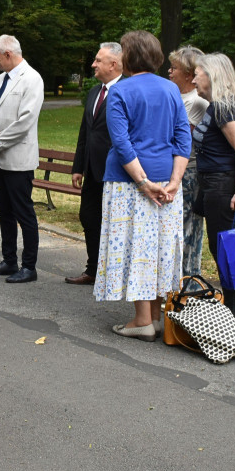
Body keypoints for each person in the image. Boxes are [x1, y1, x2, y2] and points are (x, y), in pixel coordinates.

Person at [93, 30, 191, 340]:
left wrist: (143, 182)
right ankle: (160, 317)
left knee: (136, 247)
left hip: (128, 182)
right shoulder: (171, 89)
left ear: (128, 57)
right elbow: (182, 137)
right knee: (161, 247)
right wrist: (175, 180)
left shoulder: (120, 91)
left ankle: (141, 320)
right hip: (168, 182)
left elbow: (122, 143)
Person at [191, 52, 235, 321]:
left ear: (212, 75)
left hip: (223, 184)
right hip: (211, 184)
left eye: (197, 74)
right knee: (221, 247)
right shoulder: (214, 106)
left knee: (225, 250)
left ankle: (232, 313)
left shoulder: (224, 107)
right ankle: (229, 307)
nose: (193, 79)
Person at [0, 35, 44, 284]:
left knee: (23, 213)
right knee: (3, 211)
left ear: (7, 54)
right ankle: (9, 261)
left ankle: (29, 266)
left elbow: (25, 122)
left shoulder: (32, 79)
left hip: (18, 158)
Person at [65, 42, 123, 285]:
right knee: (88, 217)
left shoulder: (126, 91)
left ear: (114, 64)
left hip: (116, 172)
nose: (93, 64)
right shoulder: (94, 93)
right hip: (91, 171)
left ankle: (113, 272)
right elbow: (85, 133)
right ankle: (93, 268)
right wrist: (78, 166)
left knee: (114, 224)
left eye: (98, 60)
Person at [168, 45, 210, 277]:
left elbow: (183, 139)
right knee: (175, 229)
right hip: (174, 170)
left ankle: (189, 285)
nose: (169, 72)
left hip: (189, 173)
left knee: (188, 230)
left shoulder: (197, 102)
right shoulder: (173, 95)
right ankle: (175, 286)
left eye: (174, 68)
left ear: (187, 74)